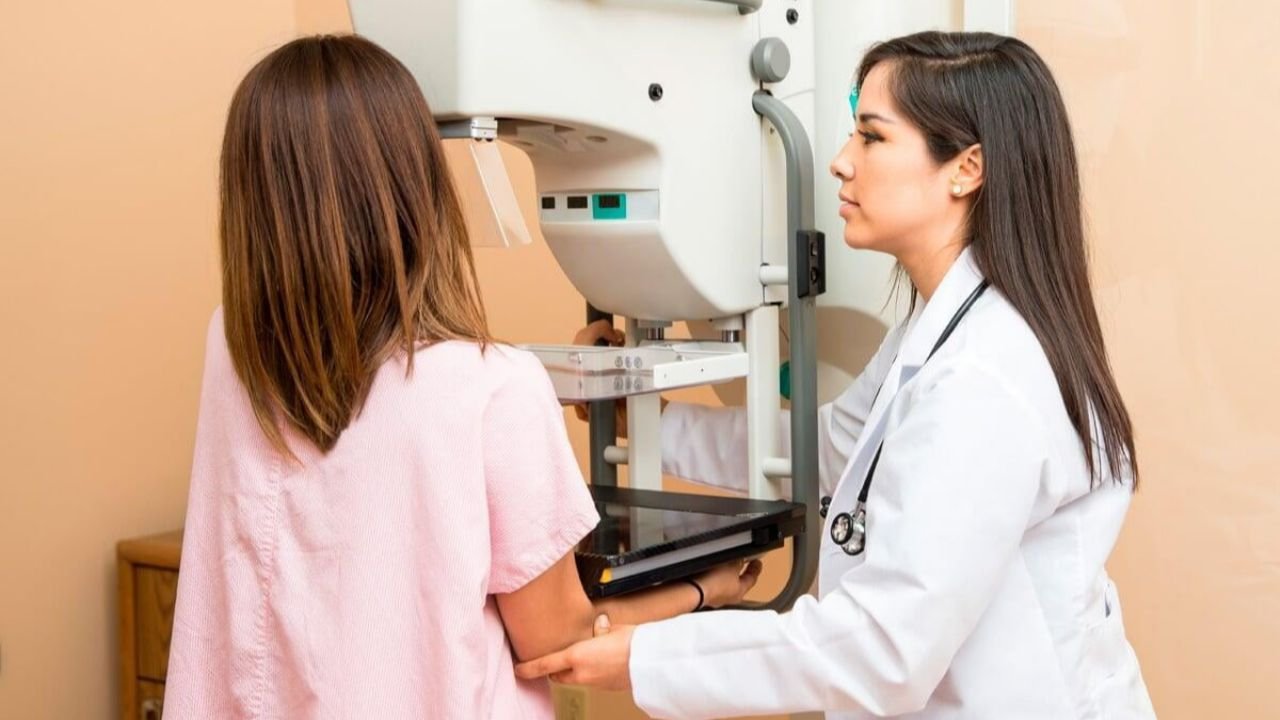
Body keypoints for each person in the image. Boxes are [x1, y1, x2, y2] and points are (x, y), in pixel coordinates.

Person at [518, 31, 1156, 719]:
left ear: (966, 168)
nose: (840, 162)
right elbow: (829, 450)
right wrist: (650, 419)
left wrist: (645, 658)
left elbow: (883, 651)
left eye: (872, 137)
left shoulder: (983, 378)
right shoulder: (943, 328)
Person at [162, 34, 760, 720]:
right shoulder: (496, 389)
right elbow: (556, 641)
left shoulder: (233, 347)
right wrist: (706, 590)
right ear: (412, 183)